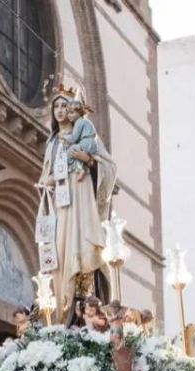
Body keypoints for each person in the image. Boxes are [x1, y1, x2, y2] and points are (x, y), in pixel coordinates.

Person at [36, 90, 117, 318]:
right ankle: (64, 308)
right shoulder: (52, 143)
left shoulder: (85, 133)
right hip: (61, 204)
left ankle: (86, 303)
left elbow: (109, 167)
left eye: (65, 106)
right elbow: (47, 175)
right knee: (61, 248)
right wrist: (46, 182)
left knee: (83, 241)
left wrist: (88, 160)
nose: (61, 111)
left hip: (81, 197)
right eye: (57, 107)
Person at [59, 98, 100, 181]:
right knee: (74, 154)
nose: (69, 115)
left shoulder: (79, 122)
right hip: (88, 144)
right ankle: (80, 169)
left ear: (79, 112)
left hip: (86, 143)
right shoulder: (82, 122)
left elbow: (74, 138)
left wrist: (64, 137)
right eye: (68, 113)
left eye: (72, 113)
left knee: (71, 152)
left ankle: (80, 169)